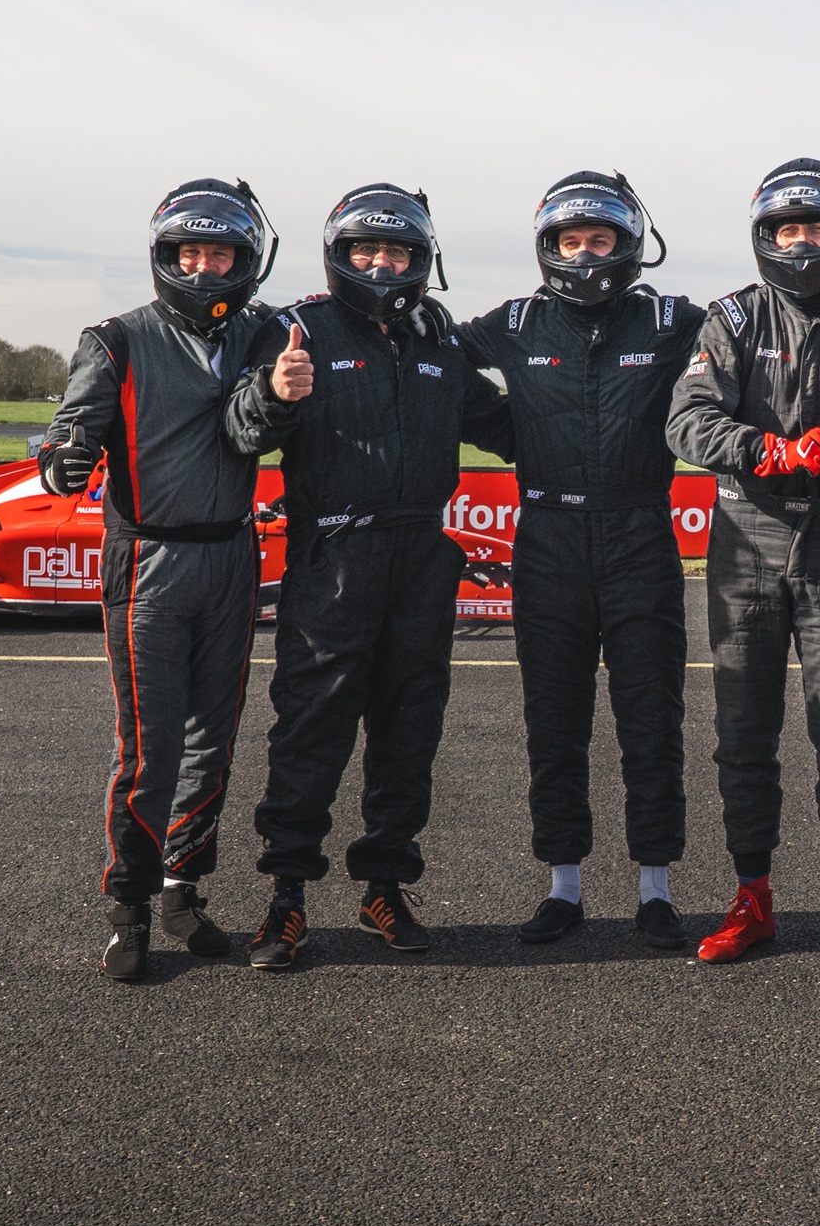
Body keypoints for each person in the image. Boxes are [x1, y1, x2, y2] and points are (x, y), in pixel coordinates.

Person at [468, 172, 820, 950]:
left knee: (660, 720)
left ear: (629, 244)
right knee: (556, 723)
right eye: (572, 240)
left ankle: (659, 887)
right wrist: (515, 430)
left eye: (600, 239)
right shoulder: (517, 320)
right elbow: (427, 357)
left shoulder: (678, 319)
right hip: (552, 538)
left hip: (645, 535)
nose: (585, 254)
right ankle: (566, 884)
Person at [225, 184, 515, 973]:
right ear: (339, 254)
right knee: (309, 727)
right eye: (366, 249)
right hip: (333, 556)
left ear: (421, 259)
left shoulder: (437, 339)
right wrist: (272, 395)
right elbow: (242, 430)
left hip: (420, 554)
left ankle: (384, 883)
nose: (382, 263)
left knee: (408, 729)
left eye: (396, 251)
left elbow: (507, 425)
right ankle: (285, 895)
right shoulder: (299, 329)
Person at [664, 157, 820, 975]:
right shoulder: (730, 317)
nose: (801, 241)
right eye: (787, 228)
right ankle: (752, 897)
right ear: (764, 234)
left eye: (816, 226)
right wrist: (770, 450)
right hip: (745, 535)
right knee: (742, 731)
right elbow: (687, 423)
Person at [39, 178, 284, 982]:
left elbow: (272, 415)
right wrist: (65, 457)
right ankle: (129, 906)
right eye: (191, 252)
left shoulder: (264, 333)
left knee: (214, 739)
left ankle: (182, 889)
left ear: (246, 261)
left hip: (233, 555)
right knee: (150, 747)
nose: (205, 267)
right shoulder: (115, 338)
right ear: (165, 256)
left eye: (221, 254)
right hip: (146, 559)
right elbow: (67, 433)